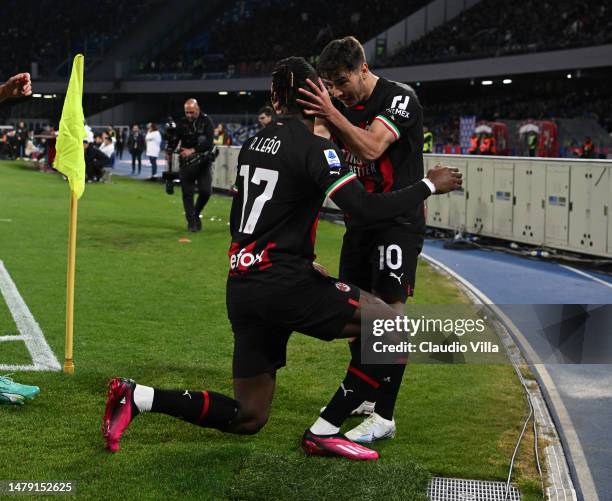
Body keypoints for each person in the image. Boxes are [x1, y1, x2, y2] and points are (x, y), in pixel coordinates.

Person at [101, 56, 461, 459]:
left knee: (249, 416)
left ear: (274, 97)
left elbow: (241, 218)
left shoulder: (254, 144)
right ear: (318, 97)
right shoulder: (316, 149)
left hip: (243, 286)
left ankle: (140, 397)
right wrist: (429, 184)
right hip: (284, 284)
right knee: (391, 328)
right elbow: (363, 209)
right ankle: (324, 430)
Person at [296, 36, 429, 442]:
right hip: (359, 222)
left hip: (397, 221)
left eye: (341, 82)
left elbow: (371, 148)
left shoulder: (399, 99)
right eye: (329, 84)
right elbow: (319, 154)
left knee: (388, 315)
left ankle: (384, 416)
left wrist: (331, 114)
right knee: (357, 318)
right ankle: (366, 395)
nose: (336, 91)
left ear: (363, 69)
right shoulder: (336, 105)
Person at [168, 98, 215, 232]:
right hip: (186, 165)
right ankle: (192, 223)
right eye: (187, 112)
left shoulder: (207, 121)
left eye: (191, 112)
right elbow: (175, 139)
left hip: (203, 163)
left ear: (198, 109)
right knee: (187, 193)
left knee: (206, 191)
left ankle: (195, 213)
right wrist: (170, 148)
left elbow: (209, 142)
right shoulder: (182, 123)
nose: (189, 115)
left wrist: (192, 150)